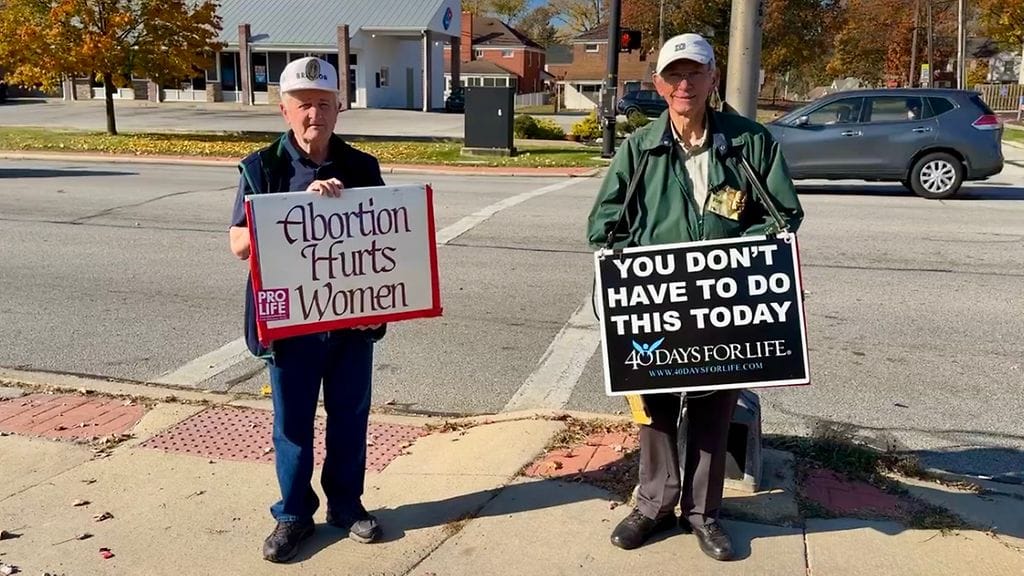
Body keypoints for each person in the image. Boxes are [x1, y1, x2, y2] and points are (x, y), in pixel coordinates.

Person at [586, 34, 804, 561]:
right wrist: (643, 269)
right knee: (654, 407)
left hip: (724, 304)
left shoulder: (751, 143)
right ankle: (653, 505)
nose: (685, 84)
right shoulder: (639, 148)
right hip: (656, 303)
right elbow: (604, 227)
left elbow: (783, 217)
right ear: (659, 84)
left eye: (696, 73)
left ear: (712, 80)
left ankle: (703, 515)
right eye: (675, 75)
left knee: (714, 409)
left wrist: (735, 256)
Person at [227, 56, 388, 563]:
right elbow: (238, 243)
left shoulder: (362, 166)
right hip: (290, 321)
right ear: (284, 110)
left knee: (349, 415)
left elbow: (386, 232)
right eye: (303, 105)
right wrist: (302, 206)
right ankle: (294, 514)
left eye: (323, 103)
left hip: (349, 318)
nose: (313, 113)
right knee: (292, 421)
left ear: (338, 109)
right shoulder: (263, 167)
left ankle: (345, 503)